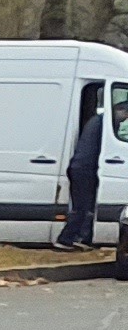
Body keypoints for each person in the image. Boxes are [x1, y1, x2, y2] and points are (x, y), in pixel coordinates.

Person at [63, 81, 106, 254]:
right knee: (83, 207)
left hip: (83, 167)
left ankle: (80, 238)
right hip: (84, 168)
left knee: (84, 205)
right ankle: (67, 239)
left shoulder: (98, 120)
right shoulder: (102, 122)